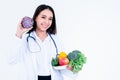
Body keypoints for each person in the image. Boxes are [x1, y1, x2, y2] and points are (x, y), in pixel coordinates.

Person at [9, 4, 78, 80]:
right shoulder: (25, 39)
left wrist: (71, 69)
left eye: (50, 19)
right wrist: (19, 34)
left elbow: (61, 66)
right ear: (35, 18)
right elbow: (12, 60)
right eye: (43, 17)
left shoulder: (56, 40)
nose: (47, 22)